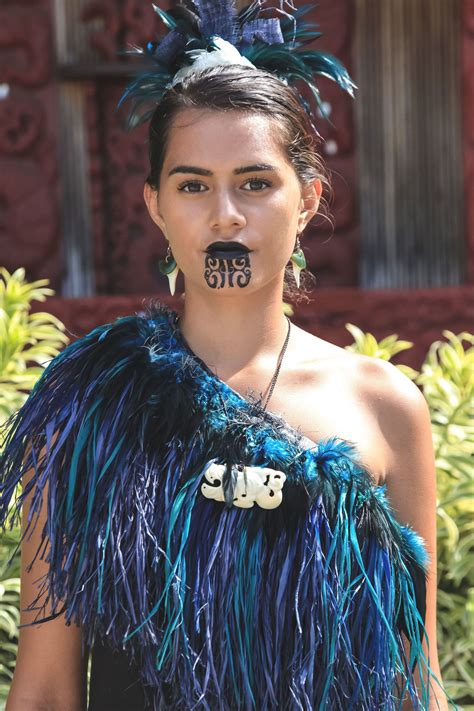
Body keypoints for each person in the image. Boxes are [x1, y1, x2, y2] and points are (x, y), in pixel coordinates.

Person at [0, 1, 456, 709]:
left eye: (255, 182)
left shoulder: (384, 407)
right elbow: (47, 689)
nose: (225, 216)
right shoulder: (89, 403)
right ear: (155, 204)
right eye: (192, 185)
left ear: (307, 199)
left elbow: (411, 685)